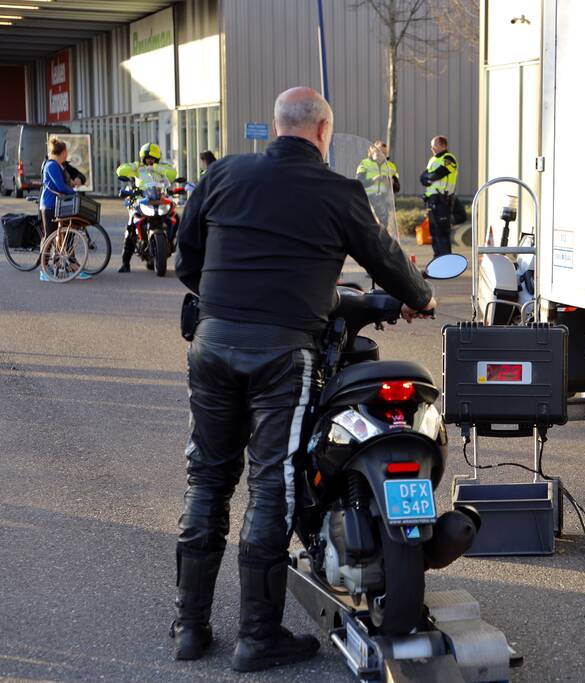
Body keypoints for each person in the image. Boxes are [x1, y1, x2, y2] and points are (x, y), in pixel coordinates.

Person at [172, 86, 436, 673]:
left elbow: (188, 259)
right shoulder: (339, 191)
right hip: (282, 355)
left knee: (207, 478)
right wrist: (421, 297)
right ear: (323, 133)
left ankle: (189, 627)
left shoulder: (224, 174)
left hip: (212, 343)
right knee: (272, 486)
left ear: (276, 127)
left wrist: (227, 299)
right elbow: (386, 258)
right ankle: (257, 638)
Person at [115, 143, 178, 273]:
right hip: (142, 200)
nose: (149, 160)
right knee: (131, 225)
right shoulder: (138, 168)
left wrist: (155, 167)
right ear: (142, 158)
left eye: (152, 158)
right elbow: (120, 171)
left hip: (160, 199)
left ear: (157, 158)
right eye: (147, 158)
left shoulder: (163, 167)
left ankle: (171, 243)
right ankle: (125, 262)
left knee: (175, 217)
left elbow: (172, 174)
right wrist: (135, 165)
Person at [38, 139, 91, 282]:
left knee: (66, 235)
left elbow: (70, 180)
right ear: (62, 153)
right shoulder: (51, 165)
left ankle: (70, 266)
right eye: (66, 152)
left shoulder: (59, 166)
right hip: (49, 205)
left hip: (59, 205)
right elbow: (60, 186)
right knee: (50, 237)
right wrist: (74, 193)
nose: (67, 154)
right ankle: (44, 270)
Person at [419, 135, 458, 256]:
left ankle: (445, 260)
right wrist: (430, 177)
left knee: (442, 233)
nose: (432, 148)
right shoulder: (432, 160)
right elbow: (423, 178)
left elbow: (438, 174)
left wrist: (430, 177)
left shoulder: (449, 158)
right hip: (432, 200)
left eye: (434, 146)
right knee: (434, 232)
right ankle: (437, 259)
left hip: (443, 200)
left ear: (443, 146)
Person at [355, 140, 399, 230]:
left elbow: (397, 188)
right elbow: (358, 183)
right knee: (369, 227)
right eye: (379, 152)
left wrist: (392, 183)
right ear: (372, 152)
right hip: (368, 200)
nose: (382, 155)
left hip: (385, 201)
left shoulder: (391, 166)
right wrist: (373, 180)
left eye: (384, 153)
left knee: (383, 228)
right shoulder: (364, 164)